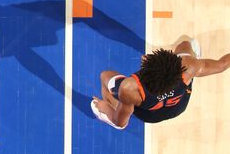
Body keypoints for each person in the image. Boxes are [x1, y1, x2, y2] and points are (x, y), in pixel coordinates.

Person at [91, 37, 230, 129]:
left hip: (149, 114)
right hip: (177, 107)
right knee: (185, 44)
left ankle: (115, 107)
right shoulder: (189, 67)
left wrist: (107, 109)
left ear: (146, 71)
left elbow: (120, 123)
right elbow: (223, 65)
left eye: (147, 60)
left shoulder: (129, 88)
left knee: (105, 76)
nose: (144, 57)